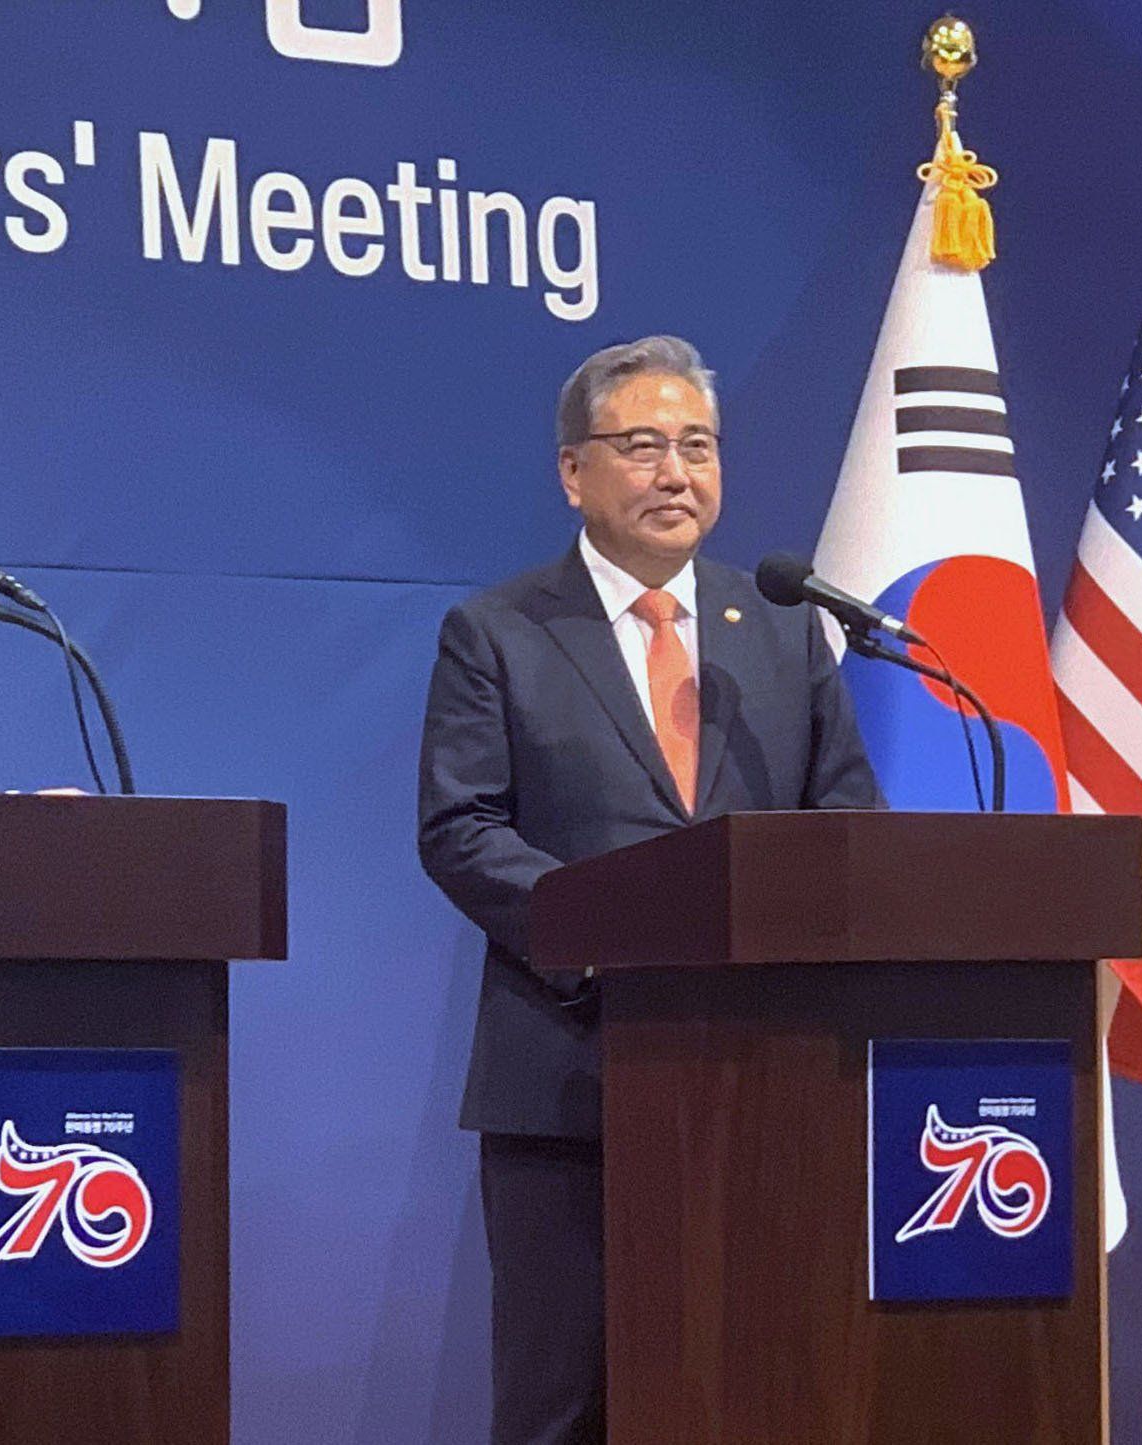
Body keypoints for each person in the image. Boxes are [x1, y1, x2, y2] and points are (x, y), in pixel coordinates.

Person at [416, 336, 881, 1444]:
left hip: (759, 1079)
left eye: (699, 446)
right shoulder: (500, 631)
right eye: (643, 446)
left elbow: (845, 819)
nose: (678, 472)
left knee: (752, 1385)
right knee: (565, 1400)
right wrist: (610, 933)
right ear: (574, 473)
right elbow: (460, 827)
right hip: (569, 1075)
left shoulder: (780, 624)